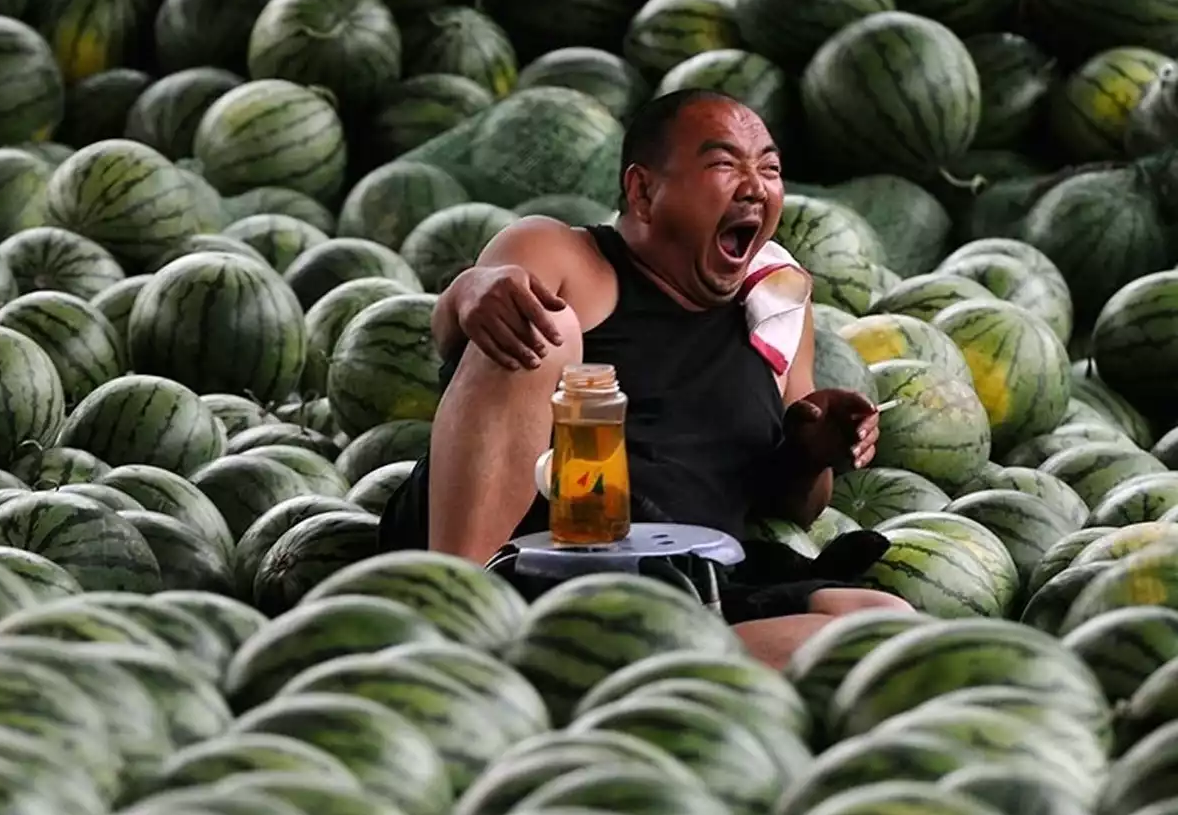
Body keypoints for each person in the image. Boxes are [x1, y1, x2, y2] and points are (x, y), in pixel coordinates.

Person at [378, 88, 911, 666]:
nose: (755, 186)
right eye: (724, 164)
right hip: (524, 566)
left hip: (680, 585)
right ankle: (459, 622)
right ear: (643, 191)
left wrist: (814, 450)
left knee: (884, 627)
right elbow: (474, 320)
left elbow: (798, 508)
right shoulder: (567, 257)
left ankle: (613, 669)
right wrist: (469, 292)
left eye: (771, 169)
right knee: (538, 321)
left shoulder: (777, 303)